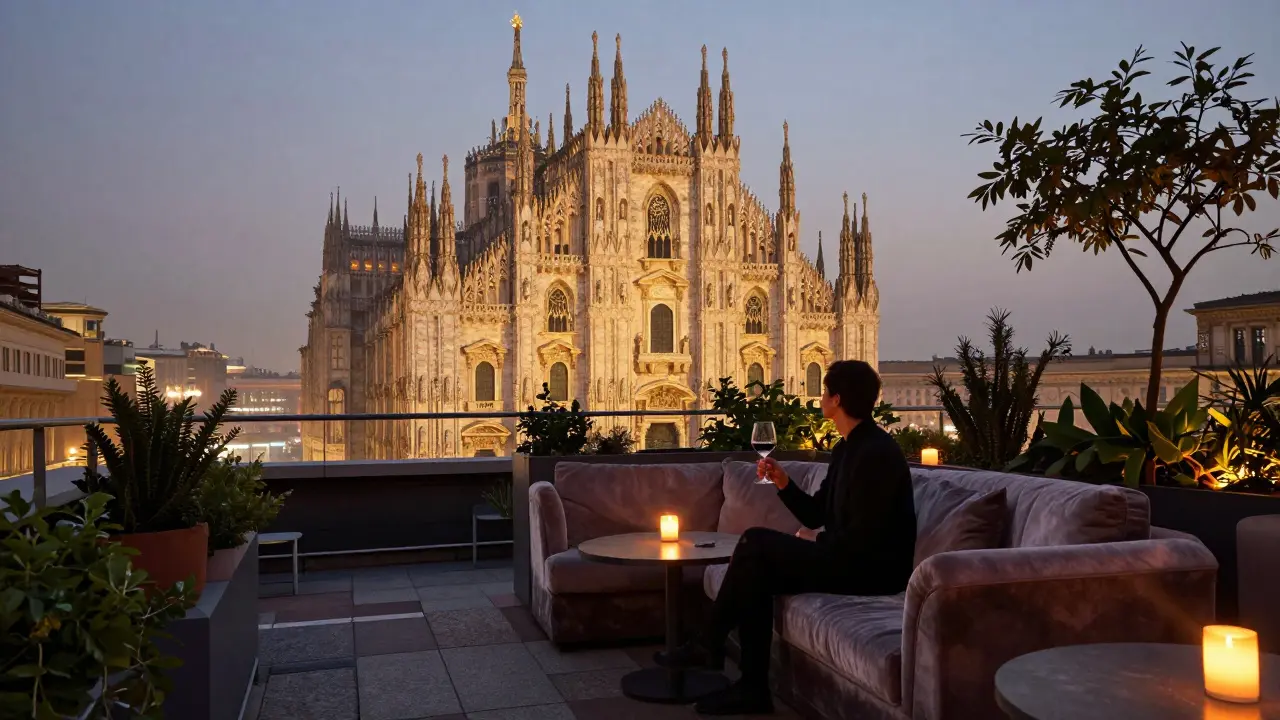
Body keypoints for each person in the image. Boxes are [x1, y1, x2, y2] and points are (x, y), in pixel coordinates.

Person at [659, 359, 917, 715]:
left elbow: (866, 539)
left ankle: (710, 643)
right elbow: (816, 513)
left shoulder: (876, 453)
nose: (820, 397)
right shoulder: (848, 448)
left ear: (837, 399)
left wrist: (814, 543)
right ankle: (750, 685)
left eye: (824, 391)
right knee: (756, 569)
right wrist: (782, 481)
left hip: (872, 572)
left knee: (755, 542)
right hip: (850, 559)